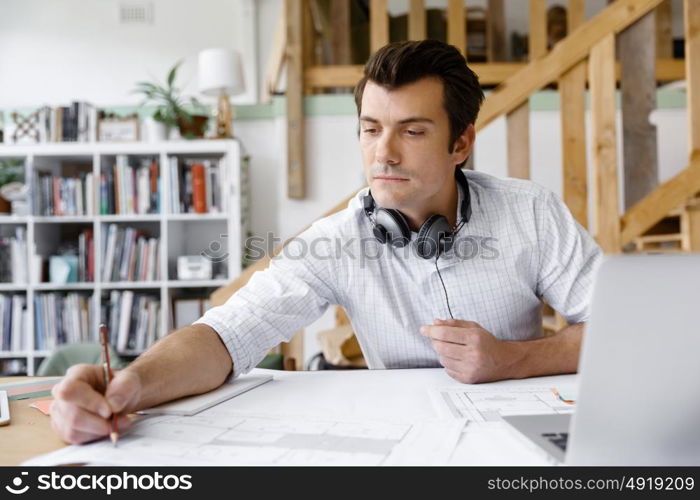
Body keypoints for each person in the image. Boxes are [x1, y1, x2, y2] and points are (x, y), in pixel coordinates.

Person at [50, 40, 601, 444]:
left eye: (411, 131)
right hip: (410, 445)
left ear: (460, 143)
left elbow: (623, 328)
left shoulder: (531, 211)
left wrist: (510, 360)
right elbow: (224, 335)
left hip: (519, 441)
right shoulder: (337, 239)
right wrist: (127, 385)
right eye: (369, 128)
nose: (383, 153)